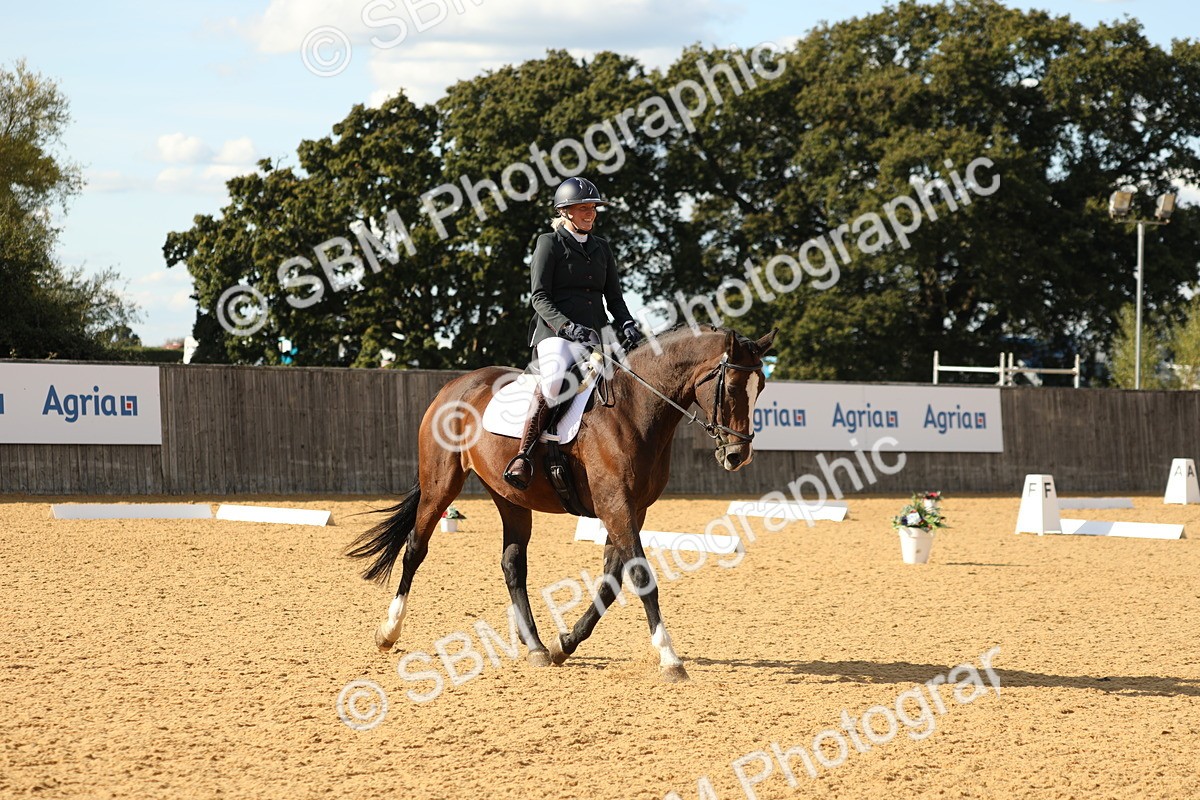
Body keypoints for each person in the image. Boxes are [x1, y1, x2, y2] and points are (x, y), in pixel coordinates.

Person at [503, 176, 644, 489]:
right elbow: (539, 296)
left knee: (632, 378)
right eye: (583, 208)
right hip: (557, 333)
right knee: (555, 381)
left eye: (593, 208)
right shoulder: (549, 243)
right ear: (565, 211)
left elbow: (614, 298)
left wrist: (627, 323)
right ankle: (524, 455)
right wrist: (567, 326)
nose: (591, 214)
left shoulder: (602, 248)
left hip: (598, 334)